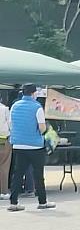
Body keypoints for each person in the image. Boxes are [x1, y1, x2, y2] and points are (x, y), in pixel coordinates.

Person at [7, 84, 54, 212]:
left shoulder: (15, 106)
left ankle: (13, 202)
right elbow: (42, 128)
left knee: (18, 174)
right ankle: (42, 202)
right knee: (38, 174)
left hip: (18, 144)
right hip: (35, 146)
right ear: (34, 93)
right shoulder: (37, 107)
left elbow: (11, 124)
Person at [0, 95, 11, 200]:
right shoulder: (5, 109)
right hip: (3, 139)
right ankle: (3, 192)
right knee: (3, 166)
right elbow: (10, 124)